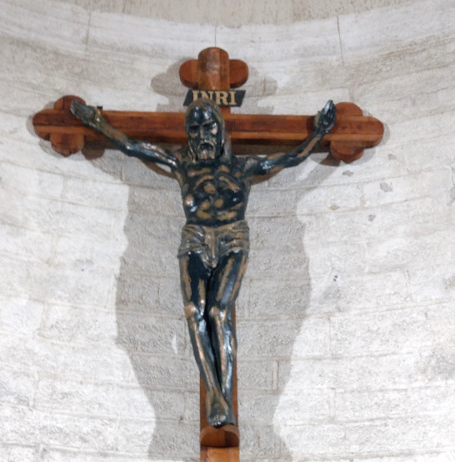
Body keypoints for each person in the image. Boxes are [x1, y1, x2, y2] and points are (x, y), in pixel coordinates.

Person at [71, 97, 336, 428]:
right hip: (195, 238)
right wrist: (97, 122)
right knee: (193, 311)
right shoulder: (182, 163)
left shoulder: (243, 167)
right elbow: (134, 147)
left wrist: (320, 132)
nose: (202, 135)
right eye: (194, 129)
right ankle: (215, 396)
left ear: (220, 129)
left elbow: (291, 158)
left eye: (208, 126)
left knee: (218, 311)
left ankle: (225, 398)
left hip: (232, 238)